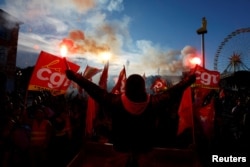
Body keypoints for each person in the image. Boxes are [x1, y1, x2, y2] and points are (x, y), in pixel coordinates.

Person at [65, 70, 196, 167]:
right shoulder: (154, 102)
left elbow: (94, 90)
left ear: (126, 87)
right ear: (143, 88)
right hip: (145, 152)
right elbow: (172, 93)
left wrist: (76, 77)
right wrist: (188, 80)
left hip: (120, 152)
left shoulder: (114, 101)